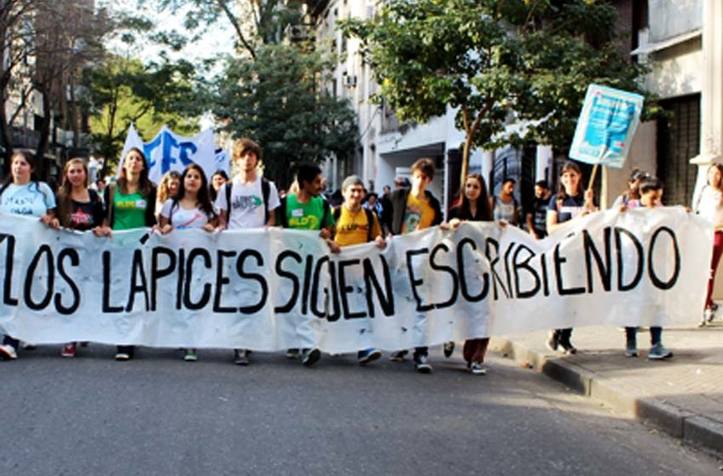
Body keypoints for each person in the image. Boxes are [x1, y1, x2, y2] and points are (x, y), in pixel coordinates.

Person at [215, 138, 280, 366]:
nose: (247, 159)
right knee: (236, 294)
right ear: (237, 159)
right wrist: (222, 230)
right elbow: (223, 217)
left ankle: (249, 338)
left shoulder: (266, 187)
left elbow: (272, 215)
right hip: (234, 249)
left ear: (257, 159)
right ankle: (239, 343)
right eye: (243, 155)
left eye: (251, 155)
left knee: (254, 294)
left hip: (257, 250)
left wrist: (267, 230)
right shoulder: (228, 188)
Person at [96, 147, 157, 361]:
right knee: (118, 292)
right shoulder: (113, 188)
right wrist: (104, 228)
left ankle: (129, 339)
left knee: (136, 293)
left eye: (138, 159)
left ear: (143, 165)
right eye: (131, 158)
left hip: (140, 248)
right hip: (116, 247)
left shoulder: (150, 189)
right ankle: (120, 336)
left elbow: (152, 219)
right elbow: (106, 216)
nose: (134, 162)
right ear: (124, 164)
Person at [382, 158, 442, 373]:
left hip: (421, 259)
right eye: (417, 176)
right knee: (401, 302)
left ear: (430, 180)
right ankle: (402, 343)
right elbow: (384, 218)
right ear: (412, 176)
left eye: (425, 178)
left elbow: (437, 229)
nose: (420, 181)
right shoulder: (397, 197)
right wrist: (388, 234)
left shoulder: (433, 204)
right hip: (399, 257)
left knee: (422, 304)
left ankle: (421, 351)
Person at [0, 152, 59, 361]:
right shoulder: (4, 191)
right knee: (9, 294)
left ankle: (19, 334)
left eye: (23, 164)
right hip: (7, 252)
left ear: (31, 168)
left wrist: (49, 218)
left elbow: (53, 215)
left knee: (27, 292)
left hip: (34, 251)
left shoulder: (41, 190)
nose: (18, 167)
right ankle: (10, 340)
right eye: (15, 163)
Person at [277, 162, 337, 367]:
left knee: (312, 304)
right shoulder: (285, 204)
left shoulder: (323, 205)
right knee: (292, 304)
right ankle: (294, 341)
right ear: (304, 183)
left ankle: (309, 345)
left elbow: (330, 230)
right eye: (317, 182)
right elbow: (277, 231)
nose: (320, 186)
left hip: (314, 264)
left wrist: (327, 236)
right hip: (290, 265)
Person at [158, 164, 218, 362]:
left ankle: (191, 341)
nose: (192, 180)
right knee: (175, 296)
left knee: (193, 298)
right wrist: (165, 228)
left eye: (197, 177)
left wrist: (211, 225)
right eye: (189, 176)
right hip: (174, 259)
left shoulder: (208, 207)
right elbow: (162, 225)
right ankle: (176, 334)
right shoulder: (171, 204)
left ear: (202, 183)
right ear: (183, 180)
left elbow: (220, 222)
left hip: (199, 261)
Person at [443, 173, 493, 375]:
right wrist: (450, 225)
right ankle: (449, 335)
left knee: (482, 311)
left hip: (479, 269)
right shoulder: (456, 210)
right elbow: (444, 234)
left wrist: (501, 229)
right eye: (468, 186)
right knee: (456, 307)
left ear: (481, 191)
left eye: (475, 187)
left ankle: (476, 357)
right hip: (457, 267)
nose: (471, 190)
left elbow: (491, 236)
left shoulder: (487, 213)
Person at [333, 175, 385, 365]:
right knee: (338, 309)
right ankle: (337, 342)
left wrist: (379, 240)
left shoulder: (370, 216)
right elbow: (324, 237)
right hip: (336, 270)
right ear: (344, 192)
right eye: (353, 190)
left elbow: (377, 237)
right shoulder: (335, 213)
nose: (357, 194)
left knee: (362, 309)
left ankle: (365, 348)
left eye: (360, 190)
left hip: (361, 270)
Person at [55, 158, 105, 358]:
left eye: (79, 171)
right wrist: (52, 219)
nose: (75, 175)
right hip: (66, 253)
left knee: (87, 294)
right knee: (69, 296)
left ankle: (83, 328)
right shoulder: (61, 197)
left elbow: (101, 221)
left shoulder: (94, 197)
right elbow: (51, 216)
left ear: (86, 174)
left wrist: (102, 230)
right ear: (66, 175)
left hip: (89, 252)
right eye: (72, 171)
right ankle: (70, 338)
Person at [545, 161, 595, 355]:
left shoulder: (586, 198)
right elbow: (551, 228)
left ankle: (566, 337)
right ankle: (555, 329)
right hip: (561, 254)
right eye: (565, 176)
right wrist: (576, 220)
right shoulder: (556, 201)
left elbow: (597, 222)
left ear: (579, 177)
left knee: (575, 299)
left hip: (580, 254)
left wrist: (590, 205)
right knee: (561, 296)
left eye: (573, 175)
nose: (569, 179)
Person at [620, 177, 673, 360]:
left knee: (656, 302)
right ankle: (631, 341)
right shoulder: (630, 208)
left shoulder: (660, 210)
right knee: (632, 301)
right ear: (642, 194)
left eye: (659, 197)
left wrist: (684, 214)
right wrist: (620, 214)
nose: (656, 201)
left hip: (654, 265)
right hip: (633, 264)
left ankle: (656, 342)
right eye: (653, 198)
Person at [695, 163, 723, 325]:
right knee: (700, 270)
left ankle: (704, 307)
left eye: (717, 173)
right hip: (702, 232)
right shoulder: (704, 191)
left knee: (709, 270)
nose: (714, 176)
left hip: (717, 233)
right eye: (711, 173)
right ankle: (709, 302)